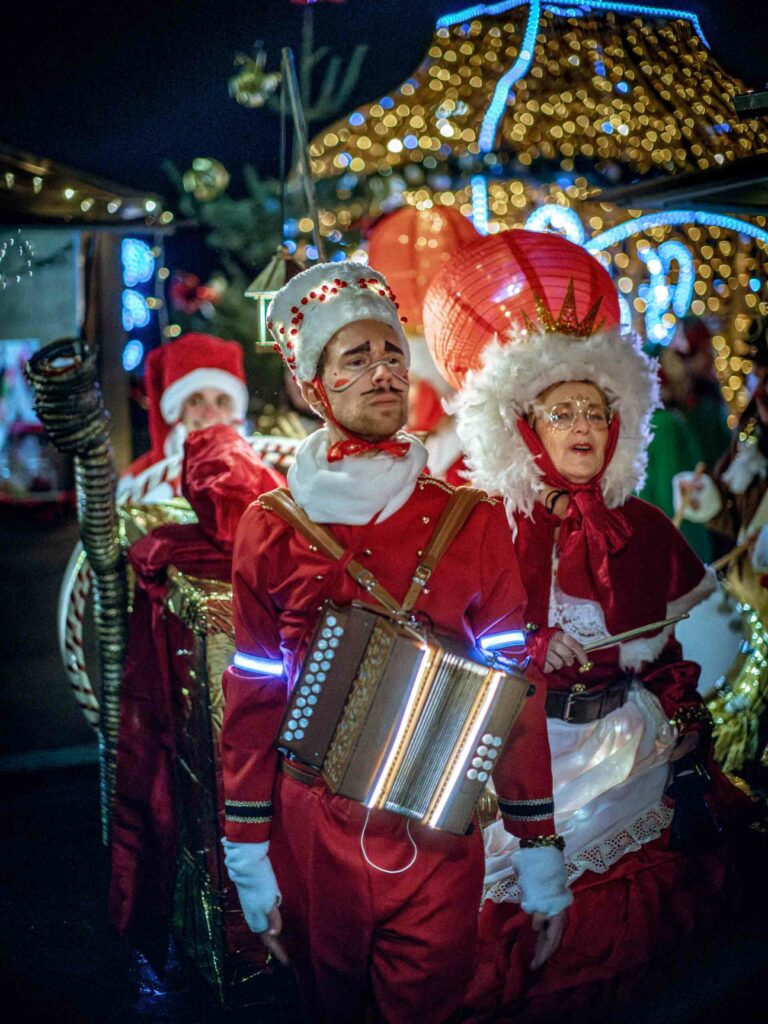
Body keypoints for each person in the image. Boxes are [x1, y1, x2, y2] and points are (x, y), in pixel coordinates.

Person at [219, 260, 571, 1024]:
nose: (383, 372)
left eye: (392, 354)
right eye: (356, 358)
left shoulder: (472, 520)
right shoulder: (270, 527)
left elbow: (517, 690)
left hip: (436, 832)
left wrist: (538, 845)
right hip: (313, 832)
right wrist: (247, 846)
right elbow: (252, 688)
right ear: (316, 385)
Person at [423, 228, 750, 1022]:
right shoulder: (487, 524)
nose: (581, 427)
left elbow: (667, 659)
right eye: (559, 411)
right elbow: (443, 645)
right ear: (522, 426)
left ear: (620, 423)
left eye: (595, 412)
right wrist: (526, 645)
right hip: (527, 764)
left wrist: (681, 727)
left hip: (630, 749)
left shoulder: (638, 525)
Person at [675, 318, 768, 780]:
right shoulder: (752, 448)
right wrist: (708, 499)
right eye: (759, 375)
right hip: (753, 638)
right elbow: (735, 518)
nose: (764, 390)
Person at [118, 332, 249, 502]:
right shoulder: (138, 483)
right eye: (196, 401)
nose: (210, 414)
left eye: (221, 401)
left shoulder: (261, 477)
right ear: (178, 412)